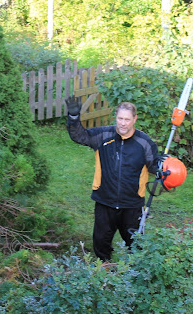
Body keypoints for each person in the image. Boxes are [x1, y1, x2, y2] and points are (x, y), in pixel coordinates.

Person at [65, 96, 163, 261]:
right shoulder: (103, 135)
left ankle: (135, 270)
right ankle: (103, 267)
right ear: (115, 117)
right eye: (120, 118)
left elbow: (154, 166)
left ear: (134, 119)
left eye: (127, 119)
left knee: (136, 245)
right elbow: (80, 136)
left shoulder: (144, 142)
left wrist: (164, 166)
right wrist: (74, 118)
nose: (123, 123)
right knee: (100, 242)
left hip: (132, 204)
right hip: (105, 200)